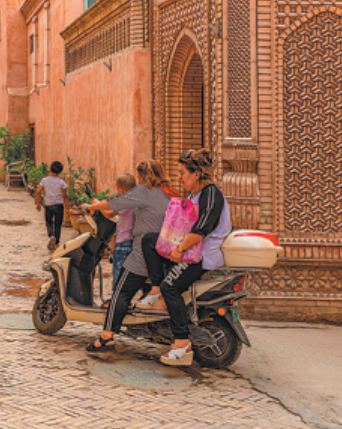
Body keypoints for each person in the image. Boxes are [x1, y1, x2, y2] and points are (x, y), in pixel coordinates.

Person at [137, 149, 231, 366]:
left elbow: (201, 230)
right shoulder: (194, 195)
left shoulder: (211, 194)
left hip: (201, 256)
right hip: (190, 249)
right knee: (149, 240)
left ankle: (182, 344)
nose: (178, 177)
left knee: (171, 287)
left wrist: (178, 249)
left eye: (182, 172)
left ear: (196, 173)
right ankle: (155, 290)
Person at [79, 160, 179, 355]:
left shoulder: (145, 191)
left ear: (142, 177)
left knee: (120, 293)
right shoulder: (167, 191)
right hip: (164, 251)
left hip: (142, 253)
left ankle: (106, 337)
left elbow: (116, 202)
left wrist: (94, 206)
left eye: (140, 177)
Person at [111, 173, 137, 290]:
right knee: (127, 273)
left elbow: (108, 212)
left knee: (118, 272)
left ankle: (116, 298)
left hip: (122, 243)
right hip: (132, 242)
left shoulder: (124, 201)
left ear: (120, 190)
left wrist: (94, 206)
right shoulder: (136, 200)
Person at [35, 161, 68, 250]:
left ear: (50, 169)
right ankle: (56, 243)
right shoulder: (61, 182)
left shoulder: (44, 180)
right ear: (60, 172)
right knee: (58, 224)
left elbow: (38, 192)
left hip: (48, 205)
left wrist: (38, 203)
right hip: (59, 205)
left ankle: (51, 235)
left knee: (49, 222)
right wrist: (67, 208)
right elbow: (65, 196)